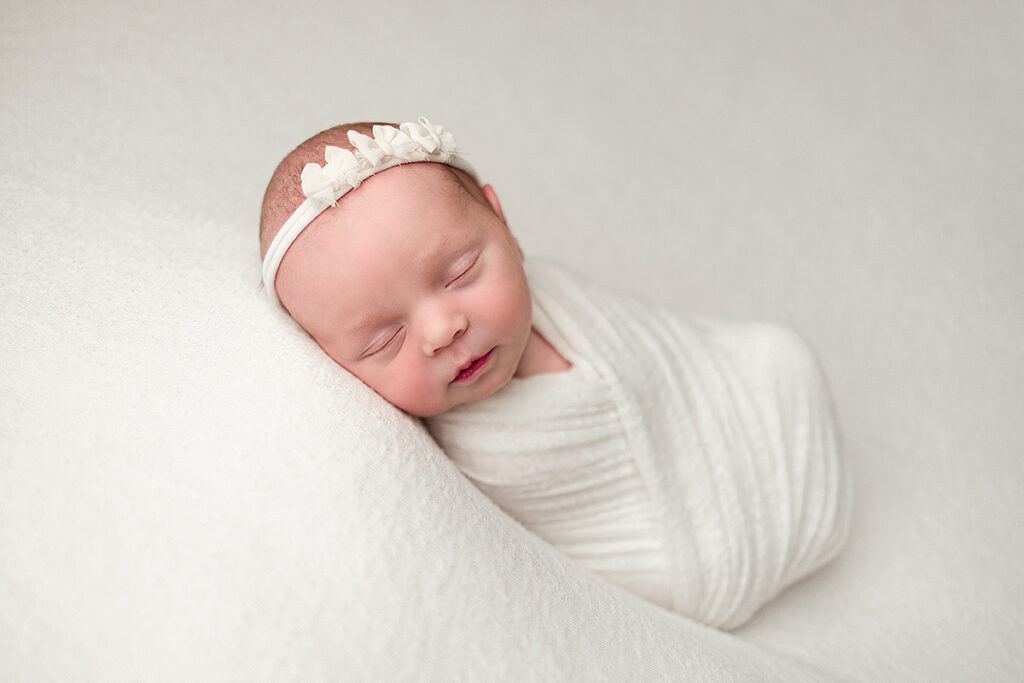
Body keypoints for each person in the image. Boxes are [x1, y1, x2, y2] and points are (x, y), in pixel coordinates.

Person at [260, 117, 850, 629]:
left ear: (502, 220)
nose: (443, 331)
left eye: (462, 272)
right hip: (685, 556)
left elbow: (667, 352)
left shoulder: (554, 290)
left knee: (779, 358)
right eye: (386, 339)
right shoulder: (475, 453)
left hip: (724, 412)